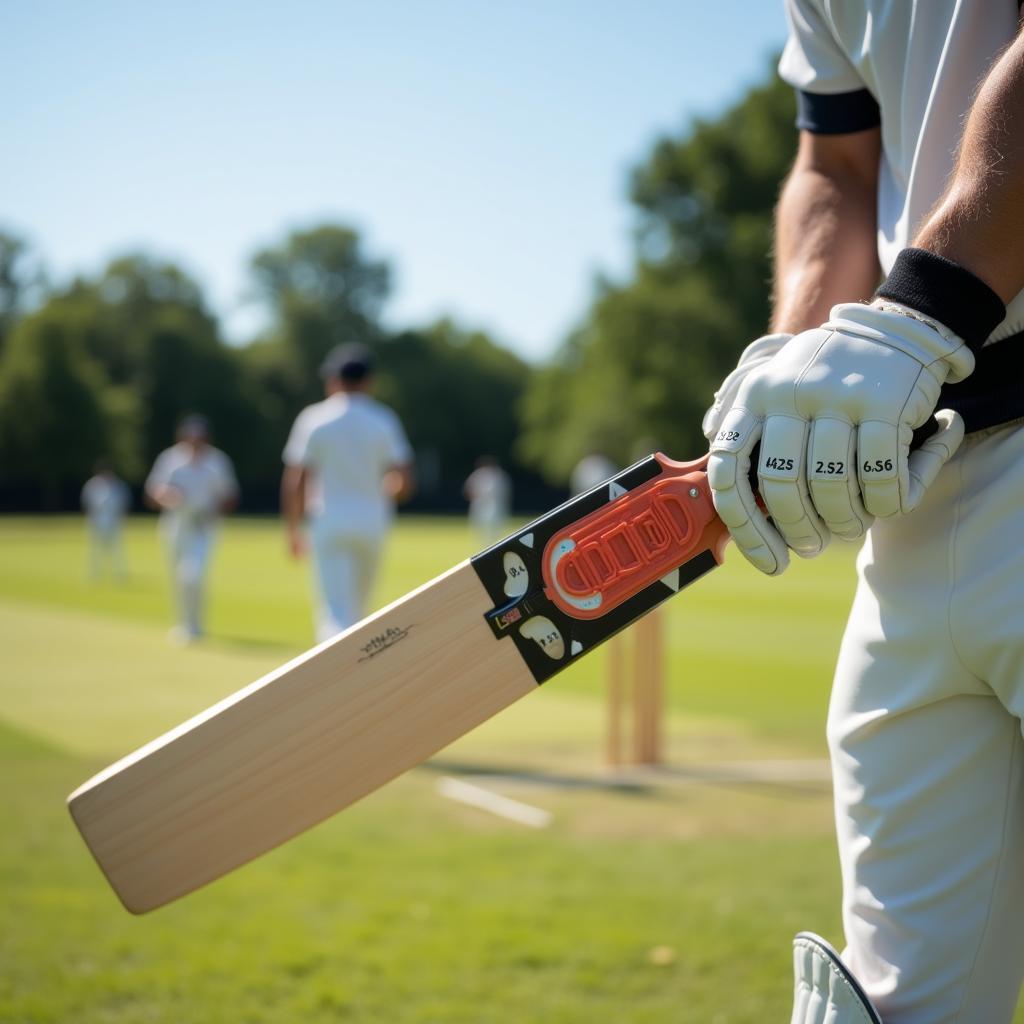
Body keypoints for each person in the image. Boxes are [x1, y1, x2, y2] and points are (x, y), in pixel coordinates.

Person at [703, 5, 1024, 1020]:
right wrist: (803, 362)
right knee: (895, 1008)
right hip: (922, 484)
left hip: (943, 354)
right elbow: (837, 163)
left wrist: (920, 312)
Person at [281, 343, 414, 643]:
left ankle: (332, 681)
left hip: (328, 520)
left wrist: (292, 531)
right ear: (369, 381)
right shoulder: (384, 419)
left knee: (335, 613)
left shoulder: (314, 418)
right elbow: (404, 481)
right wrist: (381, 492)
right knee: (359, 613)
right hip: (372, 522)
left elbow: (296, 481)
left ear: (334, 379)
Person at [145, 415, 238, 644]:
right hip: (175, 523)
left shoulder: (217, 461)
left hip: (203, 526)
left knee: (193, 574)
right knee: (178, 576)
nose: (195, 442)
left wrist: (214, 511)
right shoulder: (170, 459)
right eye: (190, 437)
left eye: (199, 438)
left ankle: (196, 625)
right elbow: (153, 492)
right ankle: (183, 624)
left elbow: (229, 496)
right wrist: (167, 496)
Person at [80, 459, 130, 581]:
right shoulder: (92, 485)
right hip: (96, 520)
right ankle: (94, 574)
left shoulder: (118, 485)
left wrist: (122, 516)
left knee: (117, 549)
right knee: (95, 549)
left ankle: (119, 575)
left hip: (114, 520)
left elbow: (124, 502)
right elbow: (86, 503)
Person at [463, 456, 511, 546]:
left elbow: (504, 492)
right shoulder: (478, 474)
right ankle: (482, 546)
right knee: (479, 527)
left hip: (494, 505)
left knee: (494, 528)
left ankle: (493, 545)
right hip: (479, 505)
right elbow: (468, 489)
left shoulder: (499, 475)